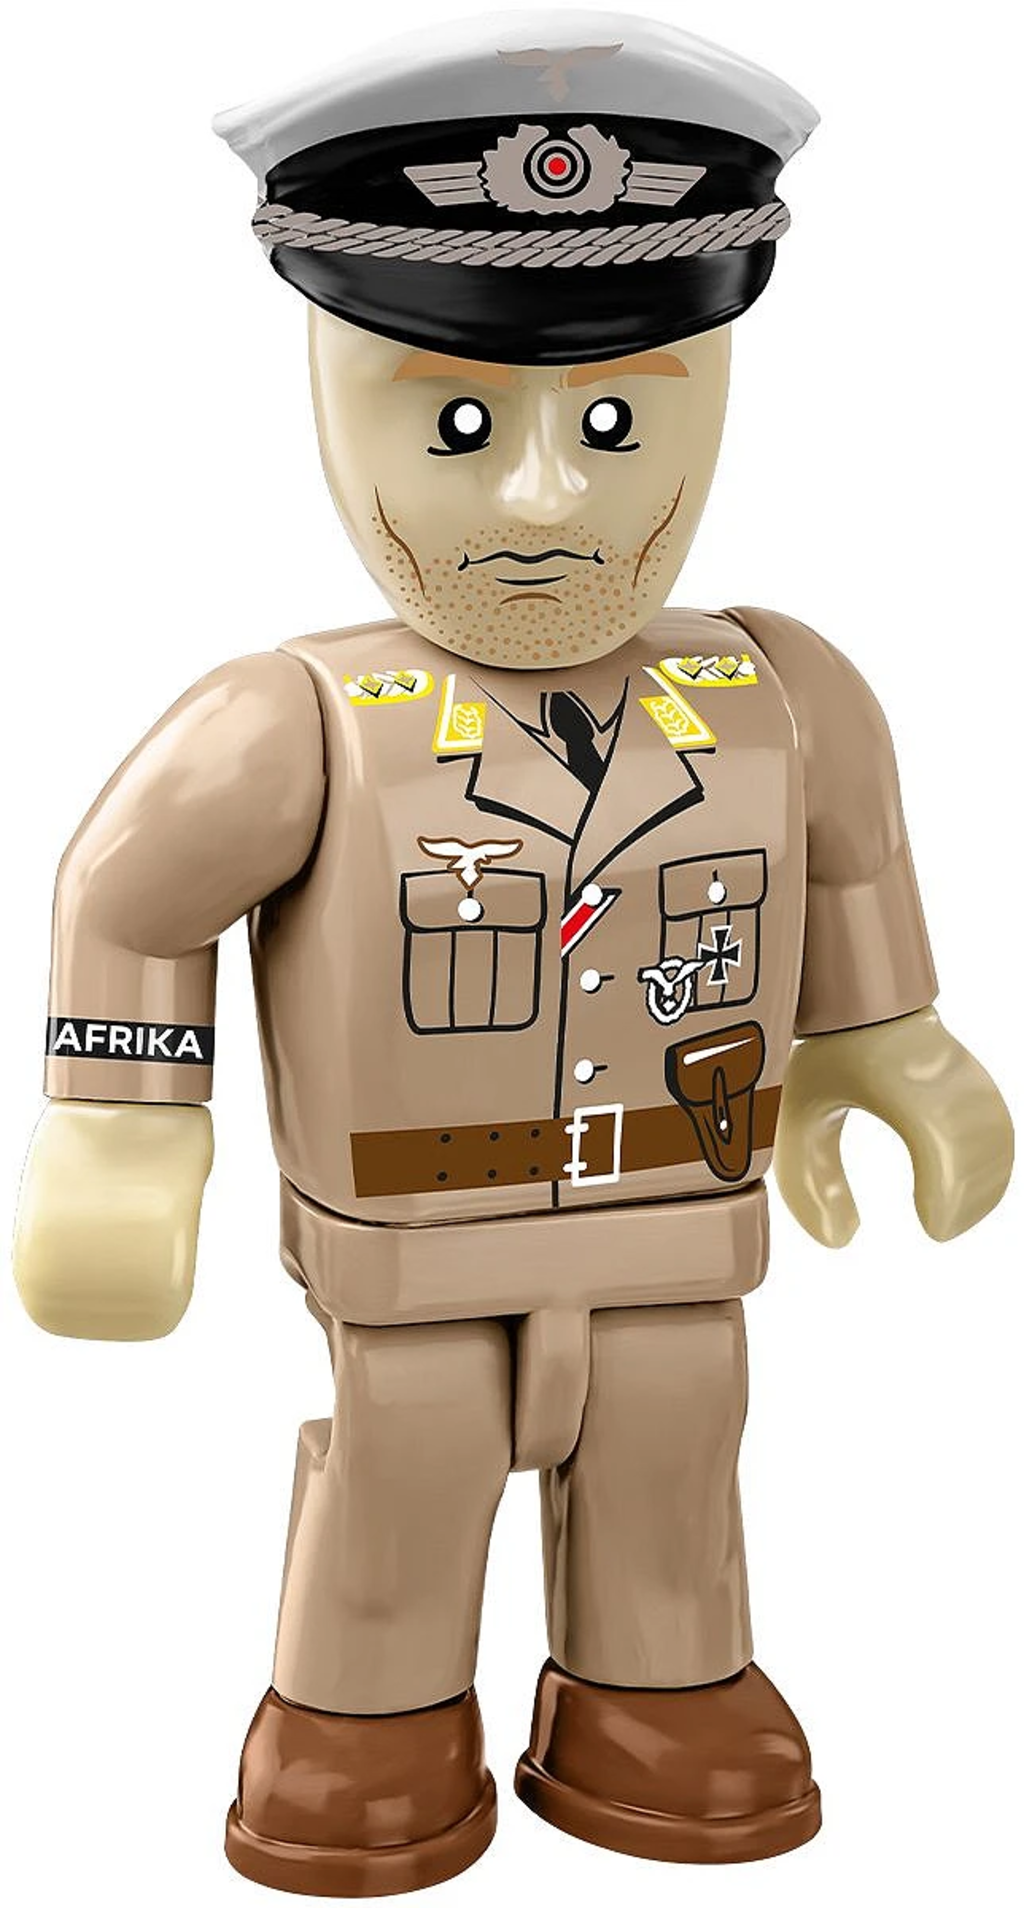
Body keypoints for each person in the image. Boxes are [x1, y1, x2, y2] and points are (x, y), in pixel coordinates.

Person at [12, 10, 1013, 1896]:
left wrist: (886, 1041)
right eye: (462, 425)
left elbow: (855, 867)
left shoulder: (781, 688)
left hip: (673, 1209)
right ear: (333, 388)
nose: (549, 498)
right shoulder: (295, 721)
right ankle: (363, 1717)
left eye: (615, 422)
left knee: (679, 1444)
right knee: (408, 1460)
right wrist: (123, 1130)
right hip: (420, 1239)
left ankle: (661, 1692)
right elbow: (131, 901)